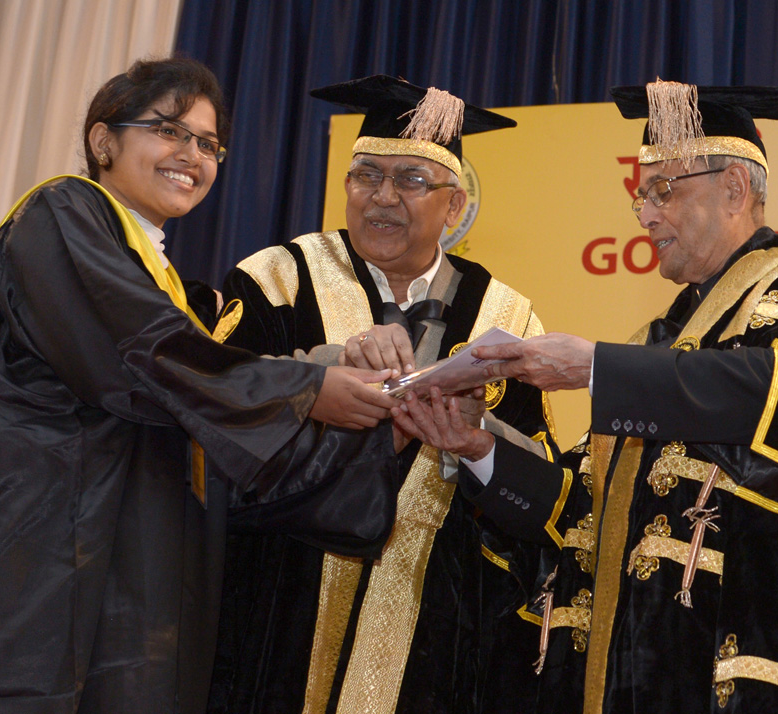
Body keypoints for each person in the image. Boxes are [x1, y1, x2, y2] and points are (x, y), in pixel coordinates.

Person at [394, 81, 778, 712]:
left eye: (663, 190)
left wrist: (596, 367)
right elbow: (575, 507)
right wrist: (474, 445)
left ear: (734, 188)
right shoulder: (662, 340)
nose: (644, 215)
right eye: (640, 195)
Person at [0, 57, 401, 714]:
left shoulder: (175, 293)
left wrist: (391, 419)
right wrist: (306, 389)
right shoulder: (63, 213)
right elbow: (143, 357)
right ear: (104, 141)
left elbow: (220, 442)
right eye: (169, 131)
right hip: (36, 566)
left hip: (134, 585)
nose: (193, 155)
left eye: (209, 144)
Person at [207, 76, 559, 714]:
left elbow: (540, 487)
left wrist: (475, 441)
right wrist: (324, 369)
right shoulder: (278, 278)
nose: (383, 197)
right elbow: (213, 413)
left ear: (455, 207)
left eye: (412, 181)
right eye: (366, 175)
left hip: (438, 628)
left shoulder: (505, 317)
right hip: (280, 598)